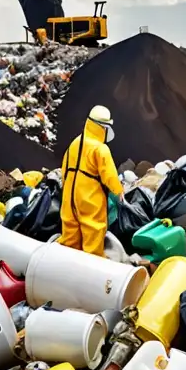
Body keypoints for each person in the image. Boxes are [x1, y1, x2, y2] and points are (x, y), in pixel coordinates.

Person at [59, 105, 123, 257]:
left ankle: (66, 262)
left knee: (70, 231)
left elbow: (64, 168)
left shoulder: (75, 142)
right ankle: (90, 265)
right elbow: (109, 174)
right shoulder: (100, 149)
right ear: (102, 127)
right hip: (90, 198)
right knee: (93, 230)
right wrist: (118, 190)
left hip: (69, 197)